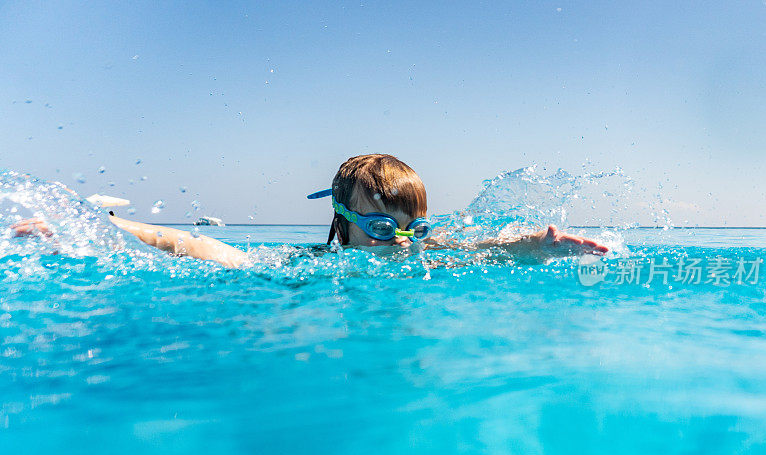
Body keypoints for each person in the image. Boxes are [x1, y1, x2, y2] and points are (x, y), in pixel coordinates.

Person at [11, 154, 608, 266]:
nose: (401, 240)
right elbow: (205, 247)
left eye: (413, 227)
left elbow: (480, 249)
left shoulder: (420, 256)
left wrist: (533, 246)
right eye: (381, 227)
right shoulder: (313, 266)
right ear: (343, 222)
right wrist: (94, 228)